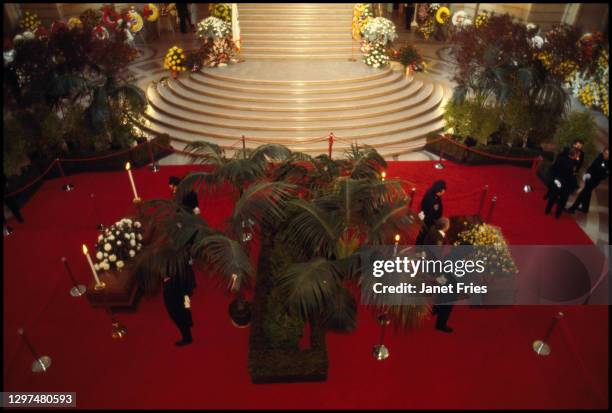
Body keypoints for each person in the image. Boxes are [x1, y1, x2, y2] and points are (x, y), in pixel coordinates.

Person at [163, 255, 196, 346]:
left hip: (176, 295)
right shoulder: (183, 260)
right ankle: (189, 321)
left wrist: (166, 279)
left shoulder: (174, 269)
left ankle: (187, 337)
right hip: (185, 292)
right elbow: (191, 262)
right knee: (186, 307)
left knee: (178, 316)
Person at [567, 147, 609, 214]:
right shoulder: (600, 156)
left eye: (608, 154)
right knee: (587, 192)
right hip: (589, 176)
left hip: (595, 180)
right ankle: (585, 208)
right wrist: (588, 173)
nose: (606, 155)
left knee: (583, 193)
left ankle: (572, 209)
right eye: (606, 153)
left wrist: (597, 173)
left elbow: (604, 175)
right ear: (603, 152)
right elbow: (593, 166)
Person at [545, 148, 580, 218]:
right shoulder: (573, 164)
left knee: (553, 197)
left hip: (557, 181)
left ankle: (547, 210)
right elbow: (571, 176)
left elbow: (553, 168)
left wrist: (554, 179)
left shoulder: (561, 159)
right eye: (578, 155)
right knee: (562, 201)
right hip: (566, 185)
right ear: (575, 155)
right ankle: (557, 214)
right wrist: (575, 187)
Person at [416, 180, 446, 245]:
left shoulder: (433, 193)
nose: (444, 192)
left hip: (429, 218)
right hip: (428, 220)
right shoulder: (432, 199)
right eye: (443, 190)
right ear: (439, 190)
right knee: (424, 234)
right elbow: (432, 211)